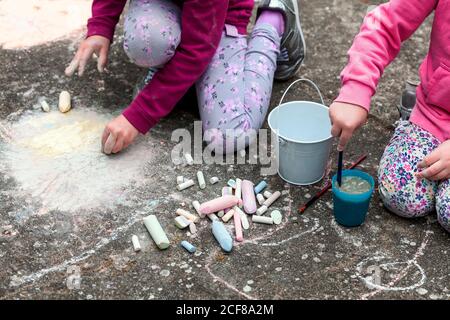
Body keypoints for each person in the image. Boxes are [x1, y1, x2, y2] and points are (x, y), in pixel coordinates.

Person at [65, 0, 306, 154]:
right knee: (147, 42)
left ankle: (273, 21)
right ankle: (177, 78)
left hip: (218, 20)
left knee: (229, 136)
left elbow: (196, 50)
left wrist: (137, 117)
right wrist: (100, 26)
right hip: (168, 6)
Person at [329, 0, 450, 232]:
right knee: (401, 196)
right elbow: (384, 24)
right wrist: (355, 91)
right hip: (435, 113)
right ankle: (409, 120)